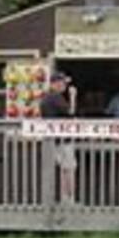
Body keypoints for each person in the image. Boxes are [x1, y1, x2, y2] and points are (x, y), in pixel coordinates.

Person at [39, 71, 78, 201]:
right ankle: (69, 199)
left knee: (63, 169)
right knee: (69, 169)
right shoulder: (56, 97)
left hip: (53, 140)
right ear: (55, 84)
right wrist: (73, 96)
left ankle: (64, 199)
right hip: (63, 140)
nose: (65, 85)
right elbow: (71, 113)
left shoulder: (46, 98)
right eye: (63, 83)